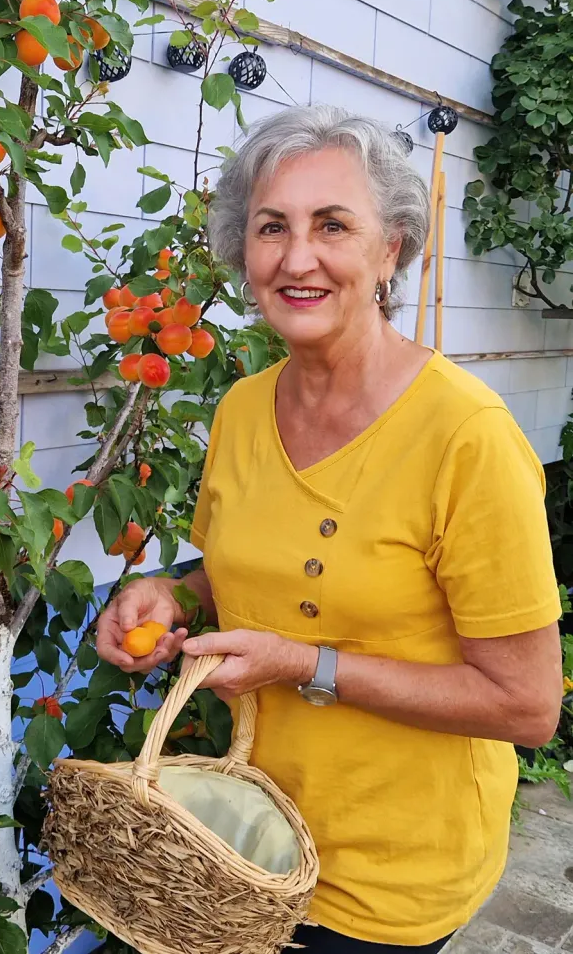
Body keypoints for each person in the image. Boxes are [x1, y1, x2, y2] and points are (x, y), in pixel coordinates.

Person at [95, 105, 564, 954]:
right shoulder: (242, 408)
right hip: (243, 836)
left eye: (333, 225)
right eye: (272, 226)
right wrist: (172, 592)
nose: (297, 256)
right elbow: (241, 559)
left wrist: (309, 666)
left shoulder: (467, 436)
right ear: (245, 251)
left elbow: (529, 704)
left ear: (391, 252)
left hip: (386, 877)